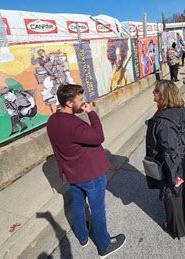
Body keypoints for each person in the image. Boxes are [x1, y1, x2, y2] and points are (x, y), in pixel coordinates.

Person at [46, 84, 126, 257]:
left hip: (72, 174)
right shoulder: (74, 124)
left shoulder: (53, 120)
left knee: (78, 205)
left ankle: (82, 237)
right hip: (91, 174)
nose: (83, 103)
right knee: (97, 210)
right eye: (80, 100)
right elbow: (98, 137)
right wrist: (91, 113)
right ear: (68, 102)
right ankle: (104, 246)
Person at [145, 80, 185, 239]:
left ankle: (176, 229)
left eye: (156, 91)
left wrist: (175, 174)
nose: (153, 93)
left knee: (172, 191)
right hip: (184, 155)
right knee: (181, 187)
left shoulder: (163, 120)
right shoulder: (181, 109)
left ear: (164, 95)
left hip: (171, 162)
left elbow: (169, 150)